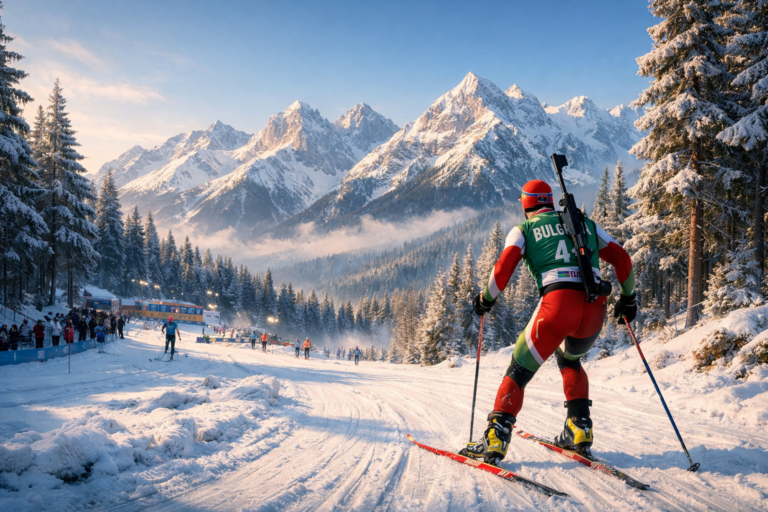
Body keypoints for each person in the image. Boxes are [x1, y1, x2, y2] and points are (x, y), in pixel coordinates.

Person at [459, 180, 637, 466]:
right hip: (594, 312)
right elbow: (622, 259)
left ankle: (496, 438)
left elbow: (504, 266)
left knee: (519, 370)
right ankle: (579, 429)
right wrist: (629, 299)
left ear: (525, 204)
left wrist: (486, 299)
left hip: (556, 308)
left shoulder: (524, 230)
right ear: (550, 201)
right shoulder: (584, 224)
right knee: (570, 361)